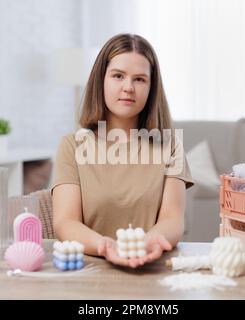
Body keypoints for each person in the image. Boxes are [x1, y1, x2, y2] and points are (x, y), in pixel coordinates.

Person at [51, 33, 194, 268]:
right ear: (101, 80)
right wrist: (106, 247)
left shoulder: (171, 146)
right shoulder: (72, 146)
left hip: (151, 269)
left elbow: (173, 219)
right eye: (118, 76)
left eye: (139, 79)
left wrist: (144, 246)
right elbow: (66, 222)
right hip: (89, 272)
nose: (128, 87)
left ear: (151, 88)